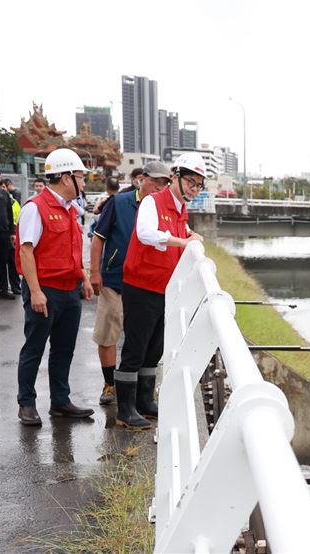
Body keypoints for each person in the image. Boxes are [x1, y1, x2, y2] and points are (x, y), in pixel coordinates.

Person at [115, 153, 205, 429]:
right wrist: (182, 241)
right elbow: (145, 233)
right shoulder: (153, 202)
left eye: (199, 185)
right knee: (135, 348)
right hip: (141, 286)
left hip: (164, 289)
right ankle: (125, 410)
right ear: (175, 177)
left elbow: (183, 230)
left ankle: (144, 401)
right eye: (191, 181)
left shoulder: (180, 209)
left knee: (154, 349)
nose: (194, 188)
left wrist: (190, 236)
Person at [15, 148, 95, 426]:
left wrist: (83, 278)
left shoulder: (71, 209)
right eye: (81, 178)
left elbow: (73, 249)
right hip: (45, 289)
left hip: (69, 289)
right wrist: (35, 291)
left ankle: (60, 401)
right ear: (65, 177)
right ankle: (26, 403)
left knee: (64, 348)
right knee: (34, 347)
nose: (84, 184)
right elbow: (26, 251)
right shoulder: (35, 208)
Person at [89, 163, 170, 405]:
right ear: (141, 180)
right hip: (116, 280)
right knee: (108, 334)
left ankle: (135, 391)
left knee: (143, 341)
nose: (159, 188)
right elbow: (98, 238)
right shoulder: (120, 203)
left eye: (164, 184)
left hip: (147, 284)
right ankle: (110, 384)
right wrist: (95, 272)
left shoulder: (162, 207)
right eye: (155, 183)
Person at [0, 179, 16, 300]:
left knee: (2, 262)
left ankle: (3, 289)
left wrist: (12, 232)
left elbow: (10, 213)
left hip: (3, 233)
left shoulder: (4, 195)